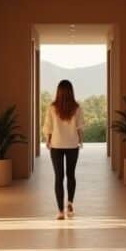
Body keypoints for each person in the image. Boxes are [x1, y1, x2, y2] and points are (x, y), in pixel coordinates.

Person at [43, 79, 84, 220]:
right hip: (72, 145)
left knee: (58, 177)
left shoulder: (52, 107)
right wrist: (81, 140)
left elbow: (48, 127)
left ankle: (60, 212)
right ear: (71, 91)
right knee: (71, 175)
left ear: (58, 92)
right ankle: (70, 204)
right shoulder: (76, 107)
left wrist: (48, 141)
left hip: (56, 145)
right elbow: (80, 126)